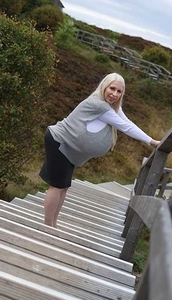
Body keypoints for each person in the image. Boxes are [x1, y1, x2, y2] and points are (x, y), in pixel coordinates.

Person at [39, 72, 160, 227]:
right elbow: (126, 127)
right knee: (57, 186)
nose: (114, 94)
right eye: (112, 88)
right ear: (104, 86)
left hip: (67, 145)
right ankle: (47, 226)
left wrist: (151, 140)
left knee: (64, 186)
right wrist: (152, 141)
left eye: (119, 91)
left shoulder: (110, 107)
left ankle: (53, 224)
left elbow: (127, 121)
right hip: (59, 141)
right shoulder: (100, 106)